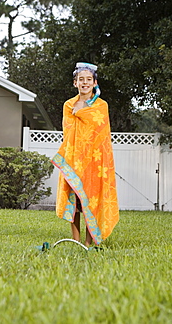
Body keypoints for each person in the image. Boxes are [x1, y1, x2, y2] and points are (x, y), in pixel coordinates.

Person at [51, 62, 119, 246]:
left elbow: (100, 132)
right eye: (81, 79)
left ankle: (88, 242)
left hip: (95, 161)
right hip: (74, 158)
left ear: (94, 82)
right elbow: (69, 130)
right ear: (75, 83)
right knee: (75, 201)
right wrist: (78, 113)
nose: (85, 83)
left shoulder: (101, 105)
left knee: (92, 199)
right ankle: (76, 240)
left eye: (89, 79)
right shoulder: (69, 105)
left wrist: (82, 113)